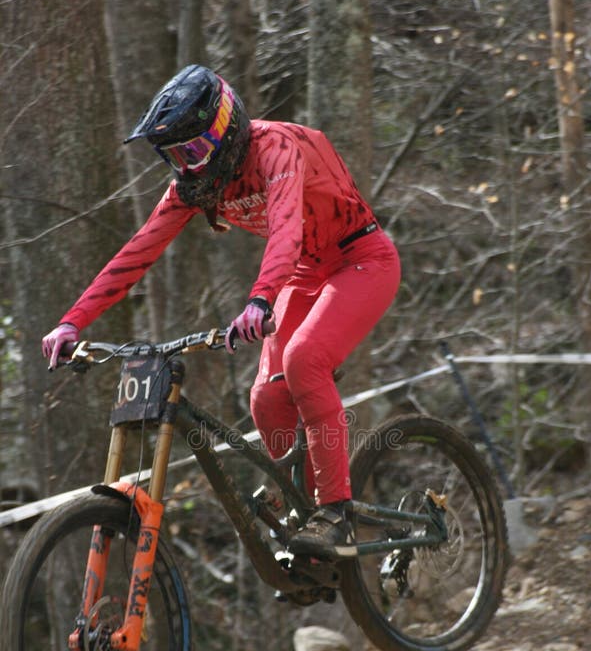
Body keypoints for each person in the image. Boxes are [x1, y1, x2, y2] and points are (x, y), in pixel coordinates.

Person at [42, 65, 400, 560]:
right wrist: (72, 320)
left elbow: (286, 231)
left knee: (304, 361)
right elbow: (138, 251)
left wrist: (259, 298)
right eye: (173, 156)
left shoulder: (276, 148)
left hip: (362, 258)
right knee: (267, 400)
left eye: (192, 151)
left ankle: (334, 512)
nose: (186, 167)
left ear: (224, 131)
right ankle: (301, 507)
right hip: (305, 274)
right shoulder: (194, 187)